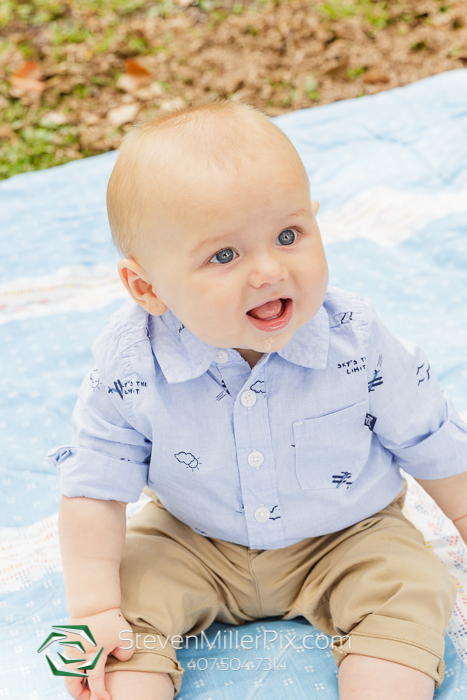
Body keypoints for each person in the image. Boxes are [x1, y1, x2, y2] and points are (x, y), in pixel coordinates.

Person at [47, 100, 467, 700]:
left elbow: (433, 436)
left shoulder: (359, 339)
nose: (269, 270)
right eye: (224, 255)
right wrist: (93, 606)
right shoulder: (130, 364)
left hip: (347, 535)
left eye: (289, 235)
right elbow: (93, 485)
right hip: (192, 538)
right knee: (123, 612)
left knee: (412, 587)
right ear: (147, 288)